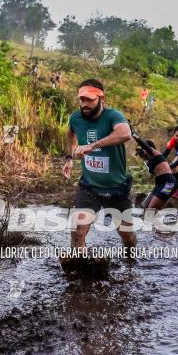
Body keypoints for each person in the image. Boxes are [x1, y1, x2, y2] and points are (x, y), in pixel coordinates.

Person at [61, 79, 136, 250]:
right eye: (82, 99)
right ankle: (80, 271)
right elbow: (71, 135)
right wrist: (69, 159)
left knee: (127, 236)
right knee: (77, 231)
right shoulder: (75, 118)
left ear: (101, 99)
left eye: (89, 100)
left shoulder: (113, 116)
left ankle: (131, 264)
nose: (84, 104)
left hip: (116, 188)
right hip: (90, 187)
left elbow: (125, 133)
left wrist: (92, 146)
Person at [132, 132, 177, 209]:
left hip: (169, 184)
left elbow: (145, 146)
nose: (140, 155)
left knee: (151, 209)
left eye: (141, 152)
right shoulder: (149, 162)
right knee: (144, 206)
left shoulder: (154, 153)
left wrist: (134, 135)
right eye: (139, 154)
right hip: (159, 185)